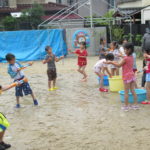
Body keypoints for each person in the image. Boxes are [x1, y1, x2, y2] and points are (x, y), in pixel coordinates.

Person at [106, 43, 138, 111]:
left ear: (129, 50)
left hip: (126, 77)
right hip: (132, 76)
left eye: (125, 50)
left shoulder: (126, 58)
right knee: (133, 91)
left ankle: (126, 106)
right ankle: (135, 105)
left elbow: (118, 65)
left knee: (126, 92)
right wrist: (118, 58)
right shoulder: (132, 56)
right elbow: (123, 59)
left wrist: (111, 62)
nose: (124, 51)